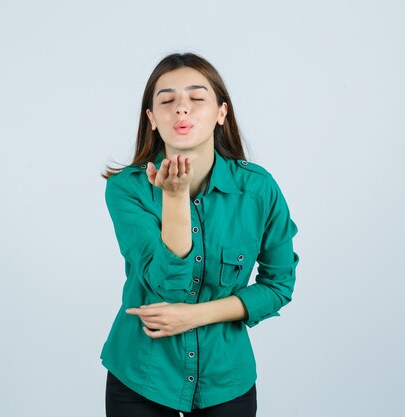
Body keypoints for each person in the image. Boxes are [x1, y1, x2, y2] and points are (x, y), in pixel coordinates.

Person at [100, 52, 300, 417]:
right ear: (152, 119)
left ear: (221, 112)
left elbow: (279, 285)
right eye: (167, 100)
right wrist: (174, 199)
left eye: (196, 98)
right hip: (141, 376)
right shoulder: (126, 190)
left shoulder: (258, 190)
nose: (181, 109)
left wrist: (195, 316)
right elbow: (168, 287)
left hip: (226, 379)